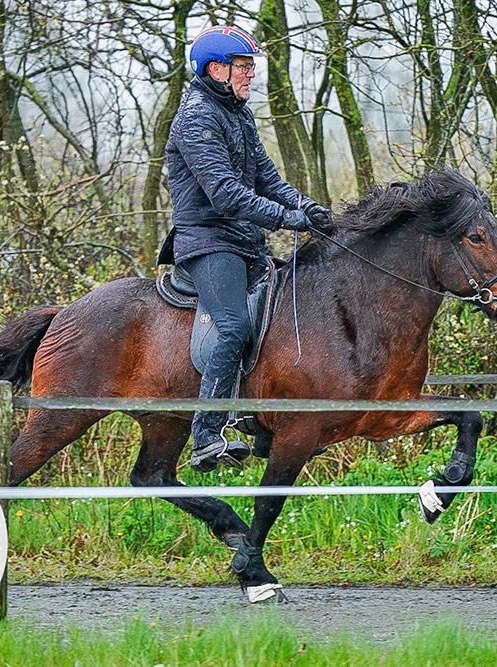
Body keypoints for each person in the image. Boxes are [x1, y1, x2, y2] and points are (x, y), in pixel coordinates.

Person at [164, 25, 331, 472]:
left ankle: (256, 422)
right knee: (235, 326)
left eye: (252, 66)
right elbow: (225, 194)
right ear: (215, 69)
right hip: (208, 242)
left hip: (244, 242)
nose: (251, 74)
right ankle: (205, 434)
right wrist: (285, 218)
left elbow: (268, 181)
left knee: (286, 311)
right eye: (244, 66)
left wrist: (307, 207)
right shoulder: (196, 118)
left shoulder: (239, 114)